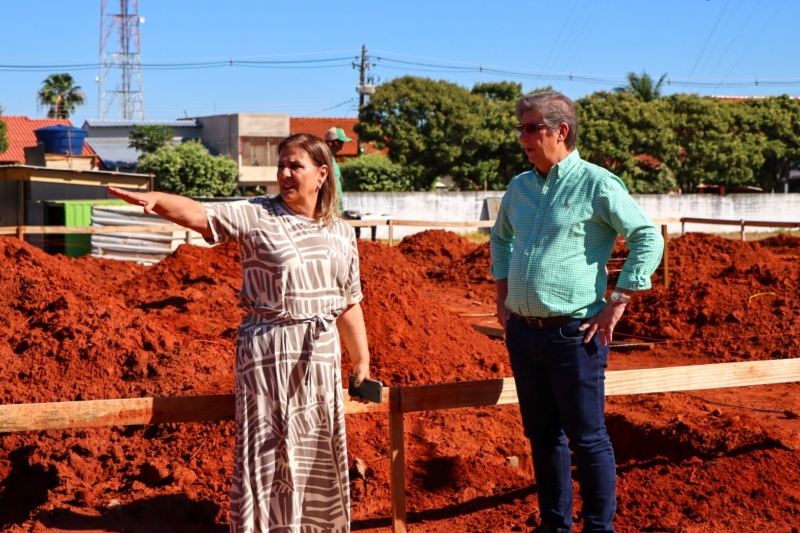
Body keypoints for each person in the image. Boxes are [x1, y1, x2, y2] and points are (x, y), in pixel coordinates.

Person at [109, 133, 370, 533]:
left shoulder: (342, 232)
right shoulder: (258, 213)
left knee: (317, 447)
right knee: (268, 450)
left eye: (294, 166)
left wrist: (361, 359)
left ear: (321, 175)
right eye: (281, 164)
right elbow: (201, 215)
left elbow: (349, 301)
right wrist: (158, 200)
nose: (284, 173)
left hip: (319, 357)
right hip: (268, 352)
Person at [490, 92, 663, 533]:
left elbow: (647, 237)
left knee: (587, 439)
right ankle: (555, 526)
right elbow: (500, 239)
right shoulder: (519, 188)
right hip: (525, 336)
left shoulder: (597, 184)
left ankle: (598, 528)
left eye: (532, 128)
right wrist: (502, 293)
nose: (523, 137)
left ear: (560, 131)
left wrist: (617, 302)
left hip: (575, 332)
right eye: (521, 128)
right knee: (543, 438)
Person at [323, 126, 352, 214]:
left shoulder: (332, 159)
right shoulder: (324, 158)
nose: (342, 146)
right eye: (339, 142)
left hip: (336, 209)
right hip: (329, 211)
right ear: (330, 142)